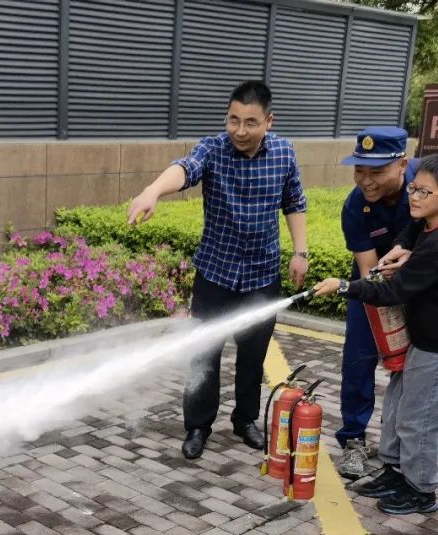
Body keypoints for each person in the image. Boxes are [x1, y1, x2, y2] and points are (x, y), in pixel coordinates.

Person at [126, 80, 308, 460]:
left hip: (262, 274)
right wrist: (152, 191)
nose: (239, 130)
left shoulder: (284, 153)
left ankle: (245, 420)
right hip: (215, 273)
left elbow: (294, 202)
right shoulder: (212, 148)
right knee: (203, 353)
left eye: (250, 122)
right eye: (233, 120)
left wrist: (300, 252)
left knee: (253, 356)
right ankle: (198, 425)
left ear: (268, 121)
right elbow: (184, 169)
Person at [313, 152, 438, 515]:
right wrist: (401, 246)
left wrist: (344, 286)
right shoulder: (431, 221)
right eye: (414, 188)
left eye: (424, 192)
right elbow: (412, 230)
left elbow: (393, 291)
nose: (414, 197)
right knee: (397, 408)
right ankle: (396, 471)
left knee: (421, 418)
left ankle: (421, 489)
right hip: (421, 337)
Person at [335, 127, 418, 480]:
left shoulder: (425, 187)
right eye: (359, 170)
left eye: (377, 171)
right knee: (359, 356)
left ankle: (397, 442)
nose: (366, 181)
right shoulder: (355, 206)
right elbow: (369, 270)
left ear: (402, 165)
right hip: (373, 282)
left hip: (421, 285)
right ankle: (353, 439)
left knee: (413, 365)